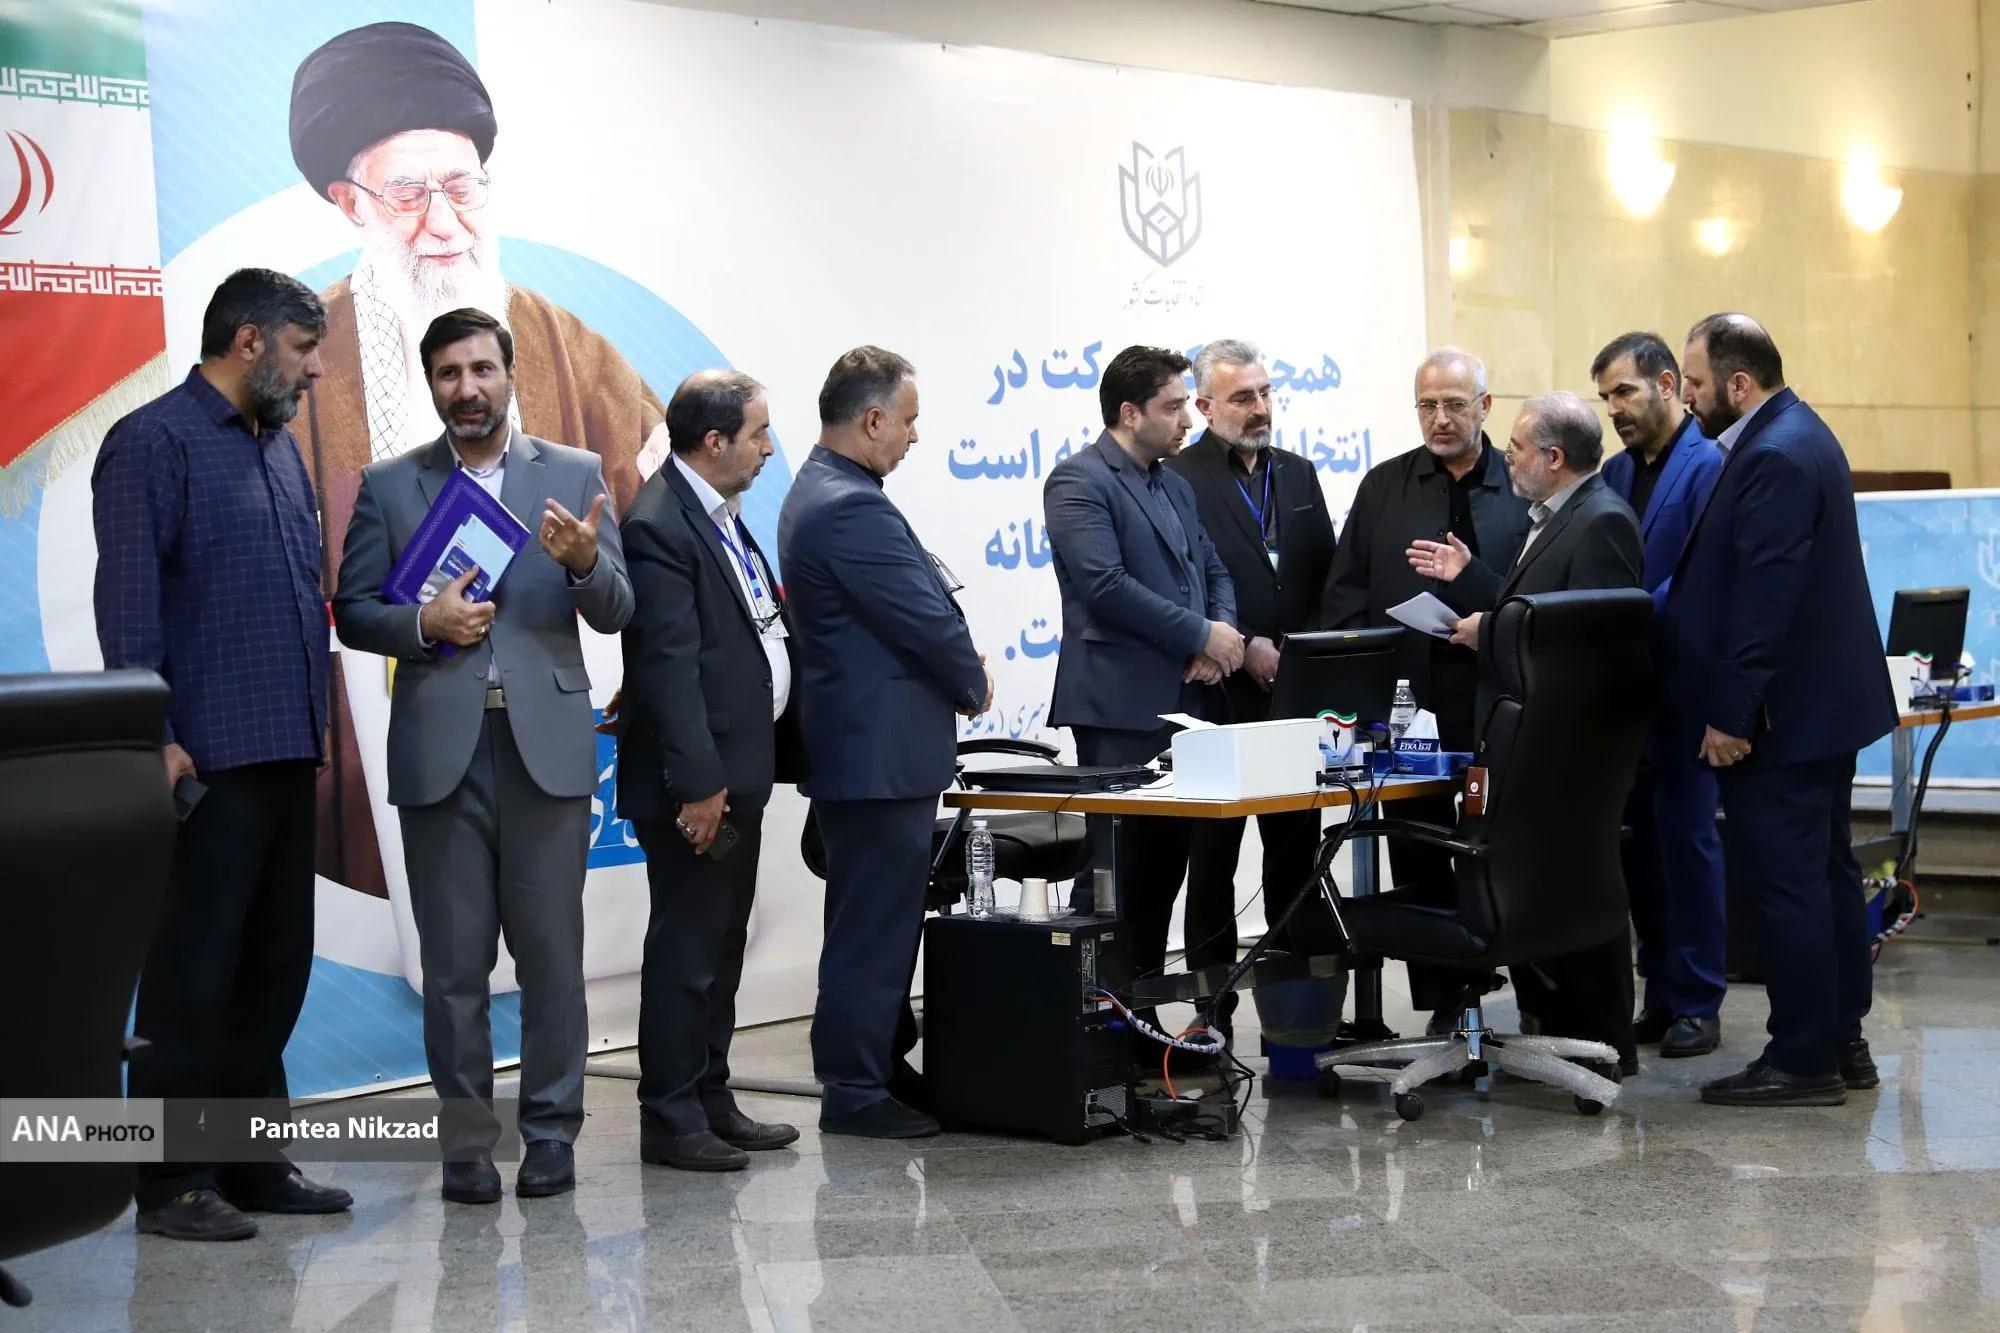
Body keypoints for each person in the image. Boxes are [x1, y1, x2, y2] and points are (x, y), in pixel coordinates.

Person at [287, 20, 667, 901]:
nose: (444, 223)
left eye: (461, 187)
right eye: (408, 193)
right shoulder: (302, 357)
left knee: (552, 945)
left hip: (547, 722)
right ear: (350, 203)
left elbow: (658, 534)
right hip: (384, 743)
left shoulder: (567, 345)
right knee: (447, 953)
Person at [332, 307, 633, 1200]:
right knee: (455, 968)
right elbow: (354, 611)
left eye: (481, 369)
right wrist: (423, 622)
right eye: (449, 374)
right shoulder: (390, 485)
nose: (467, 388)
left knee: (551, 960)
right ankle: (467, 1142)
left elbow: (618, 607)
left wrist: (585, 563)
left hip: (545, 748)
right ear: (431, 384)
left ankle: (550, 1135)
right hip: (442, 753)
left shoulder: (573, 473)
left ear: (509, 375)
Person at [93, 268, 351, 1241]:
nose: (315, 370)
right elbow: (128, 610)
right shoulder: (151, 442)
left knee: (270, 969)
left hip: (286, 748)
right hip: (203, 762)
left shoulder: (277, 447)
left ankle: (251, 1160)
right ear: (249, 340)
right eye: (303, 349)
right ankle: (172, 1181)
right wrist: (153, 740)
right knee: (192, 976)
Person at [1665, 314, 1898, 1108]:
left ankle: (1802, 1056)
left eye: (1696, 383)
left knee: (1790, 884)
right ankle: (1841, 1038)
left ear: (1739, 384)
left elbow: (1766, 598)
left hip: (1783, 719)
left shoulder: (1772, 453)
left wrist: (1730, 715)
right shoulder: (1798, 434)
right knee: (1828, 875)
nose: (1687, 398)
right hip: (1818, 710)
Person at [778, 346, 993, 1139]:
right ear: (872, 420)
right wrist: (971, 678)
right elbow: (922, 617)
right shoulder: (849, 506)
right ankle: (853, 1088)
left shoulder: (827, 490)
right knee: (871, 931)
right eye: (908, 421)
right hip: (875, 755)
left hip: (868, 751)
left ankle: (878, 1066)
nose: (913, 436)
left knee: (875, 923)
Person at [1407, 392, 1645, 1073]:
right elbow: (1534, 608)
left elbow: (1589, 642)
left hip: (1564, 754)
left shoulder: (1601, 521)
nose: (1506, 456)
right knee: (1541, 898)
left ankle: (1601, 1045)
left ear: (1554, 457)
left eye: (1516, 447)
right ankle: (1557, 1034)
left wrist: (1489, 630)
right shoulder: (1555, 516)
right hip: (1532, 747)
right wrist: (1475, 584)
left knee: (1576, 898)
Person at [616, 370, 804, 1172]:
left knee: (721, 942)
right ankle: (669, 1115)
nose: (769, 447)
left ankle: (710, 1096)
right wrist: (698, 786)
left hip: (737, 778)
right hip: (698, 791)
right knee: (687, 948)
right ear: (715, 440)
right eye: (758, 433)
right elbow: (668, 665)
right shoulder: (660, 523)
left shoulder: (719, 514)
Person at [1320, 348, 1529, 1029]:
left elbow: (1540, 601)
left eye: (1455, 405)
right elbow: (1346, 598)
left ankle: (1535, 1000)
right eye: (1428, 405)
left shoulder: (1522, 484)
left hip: (1502, 704)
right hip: (1410, 707)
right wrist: (1356, 703)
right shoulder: (1385, 487)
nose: (1440, 419)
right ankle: (1446, 1007)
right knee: (1418, 848)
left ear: (1485, 407)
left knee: (1506, 848)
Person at [1044, 345, 1243, 1056]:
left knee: (1161, 877)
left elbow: (1213, 569)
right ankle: (1090, 1048)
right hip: (1120, 711)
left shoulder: (1174, 484)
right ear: (1130, 414)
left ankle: (1141, 1036)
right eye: (1174, 406)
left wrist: (1218, 634)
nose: (1188, 418)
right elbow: (1105, 586)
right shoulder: (1078, 480)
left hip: (1186, 706)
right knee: (1115, 885)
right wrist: (1198, 633)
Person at [1163, 339, 1335, 1039]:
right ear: (1205, 406)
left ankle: (1295, 1022)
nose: (1259, 408)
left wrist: (1305, 652)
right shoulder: (1178, 477)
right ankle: (1212, 1016)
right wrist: (1246, 643)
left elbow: (1326, 574)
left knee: (1296, 857)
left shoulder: (1298, 473)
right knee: (1214, 862)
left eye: (1265, 393)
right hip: (1222, 698)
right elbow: (1186, 582)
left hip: (1296, 700)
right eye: (1242, 398)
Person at [1592, 332, 1727, 1058]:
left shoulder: (1710, 465)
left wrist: (1628, 613)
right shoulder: (1614, 473)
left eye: (1625, 392)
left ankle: (1700, 1000)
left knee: (1688, 845)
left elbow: (1704, 575)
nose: (1614, 408)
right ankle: (1663, 992)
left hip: (1683, 688)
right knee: (1640, 852)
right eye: (1606, 397)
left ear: (1669, 384)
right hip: (1624, 695)